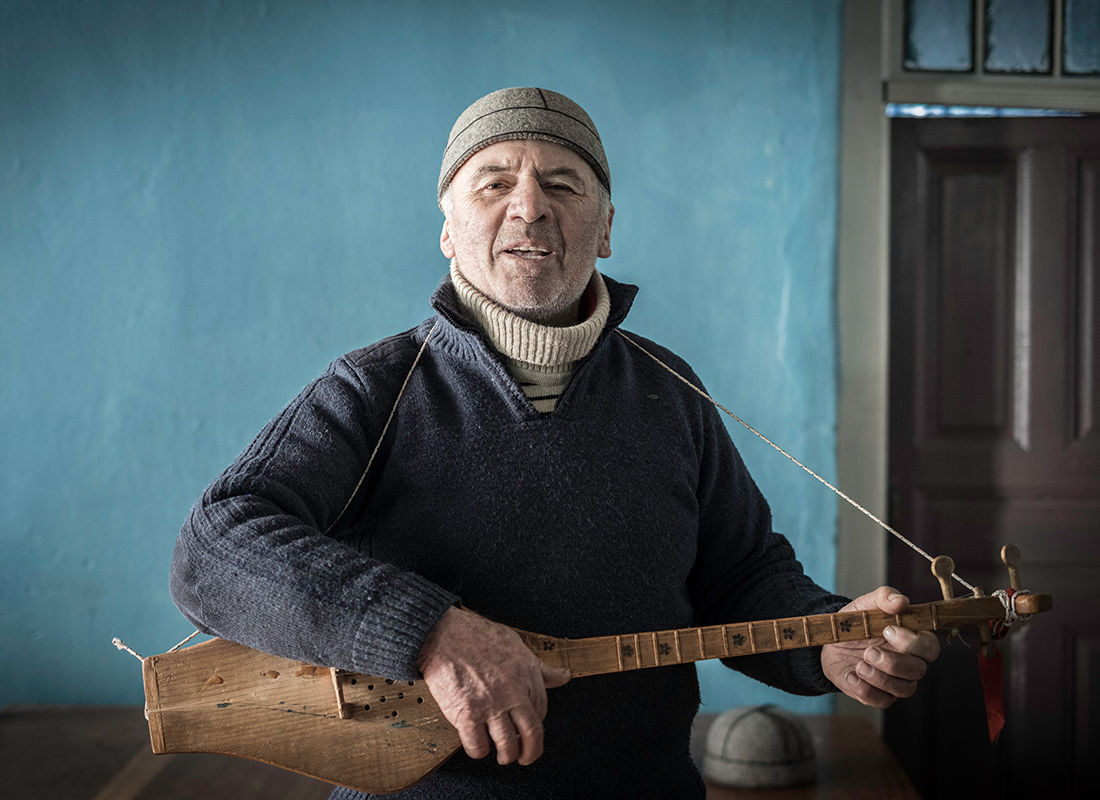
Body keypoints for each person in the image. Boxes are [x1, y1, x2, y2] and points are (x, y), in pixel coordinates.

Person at [170, 87, 940, 799]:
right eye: (494, 183)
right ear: (448, 230)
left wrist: (829, 644)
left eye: (563, 184)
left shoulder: (671, 390)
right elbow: (212, 548)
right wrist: (431, 634)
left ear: (605, 230)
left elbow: (738, 577)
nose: (530, 207)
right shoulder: (372, 389)